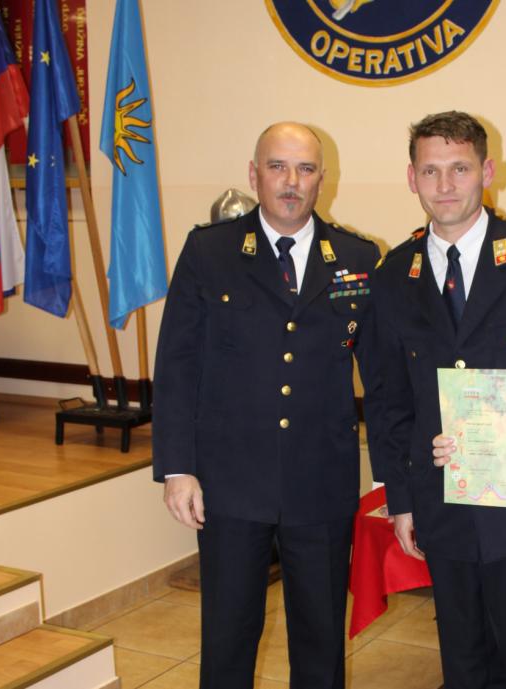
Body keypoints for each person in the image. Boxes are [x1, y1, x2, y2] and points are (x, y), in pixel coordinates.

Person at [152, 122, 381, 689]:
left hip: (320, 483)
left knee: (321, 642)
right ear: (254, 175)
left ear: (323, 179)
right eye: (277, 167)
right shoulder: (210, 251)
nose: (291, 181)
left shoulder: (356, 256)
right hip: (231, 483)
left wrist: (396, 477)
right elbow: (177, 365)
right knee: (228, 639)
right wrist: (178, 468)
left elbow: (382, 375)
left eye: (305, 169)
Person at [372, 111, 506, 689]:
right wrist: (401, 498)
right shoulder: (393, 275)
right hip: (443, 501)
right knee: (461, 660)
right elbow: (388, 399)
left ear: (488, 171)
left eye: (460, 168)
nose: (445, 185)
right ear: (412, 177)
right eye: (430, 171)